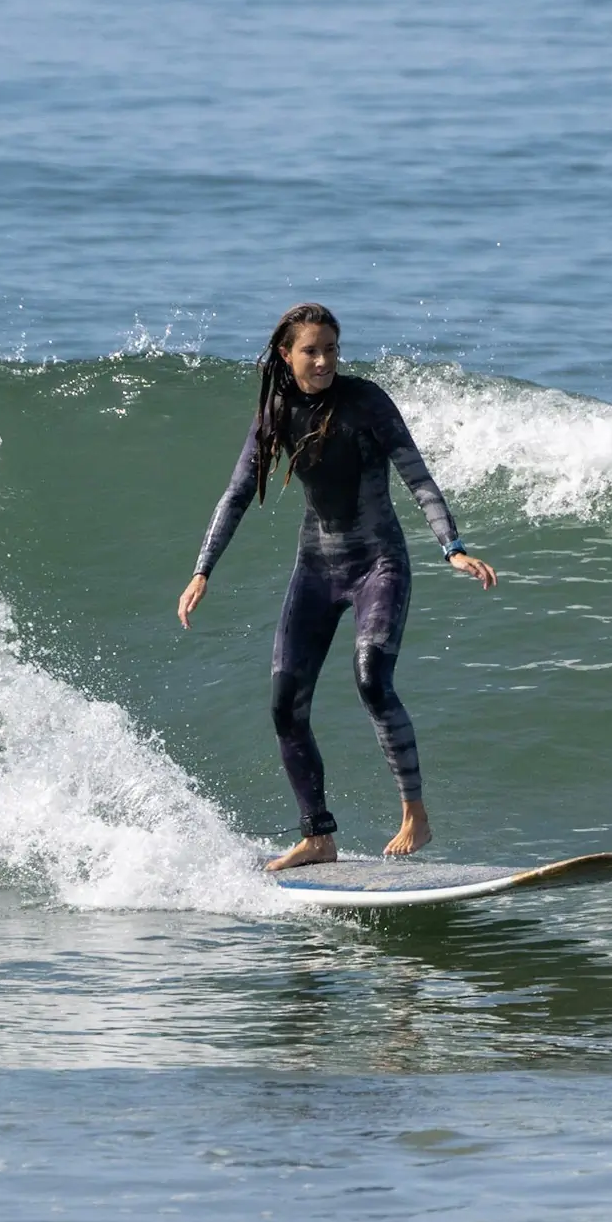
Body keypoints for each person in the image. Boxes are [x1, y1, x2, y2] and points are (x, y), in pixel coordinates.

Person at [177, 303, 497, 870]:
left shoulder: (366, 401)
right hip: (317, 569)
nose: (324, 360)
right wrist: (203, 569)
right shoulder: (275, 410)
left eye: (331, 349)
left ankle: (415, 816)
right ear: (286, 354)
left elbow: (417, 477)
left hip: (379, 563)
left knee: (372, 679)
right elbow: (235, 496)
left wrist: (453, 547)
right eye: (311, 350)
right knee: (284, 705)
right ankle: (318, 835)